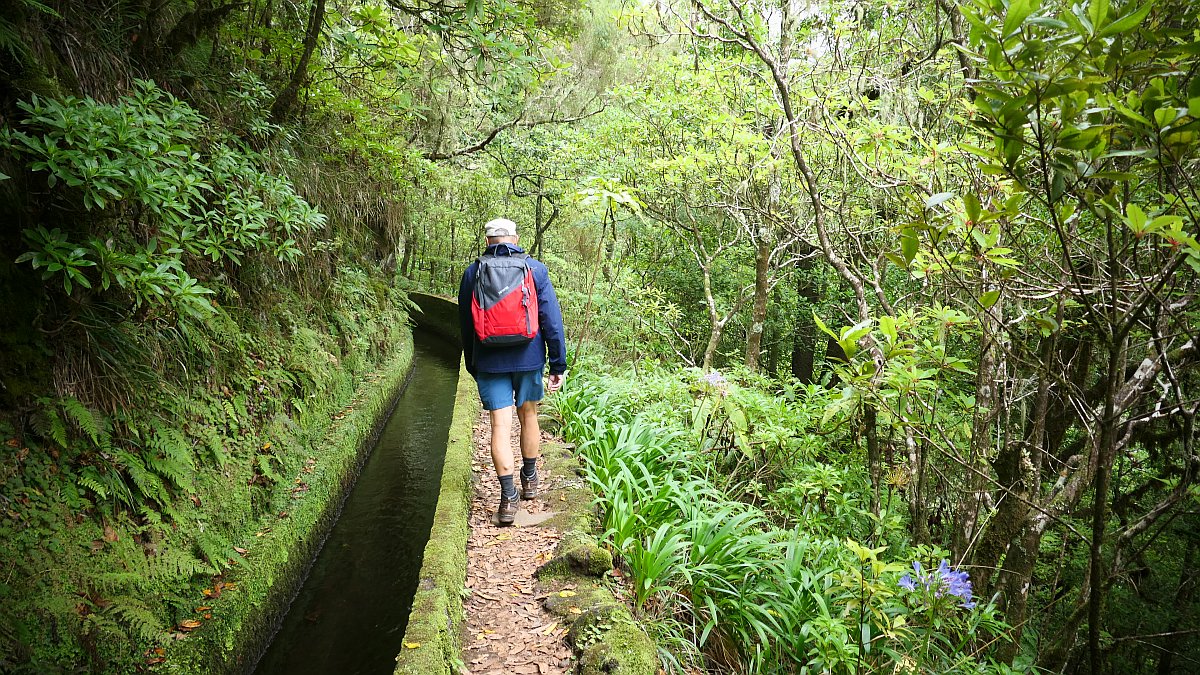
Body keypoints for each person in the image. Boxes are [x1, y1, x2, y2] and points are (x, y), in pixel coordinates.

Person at [458, 218, 567, 525]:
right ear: (516, 238)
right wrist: (557, 363)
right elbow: (551, 320)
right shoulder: (535, 269)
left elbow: (466, 325)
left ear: (488, 240)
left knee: (499, 427)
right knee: (529, 415)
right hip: (529, 358)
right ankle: (530, 480)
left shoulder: (473, 272)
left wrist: (472, 362)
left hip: (490, 361)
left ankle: (508, 500)